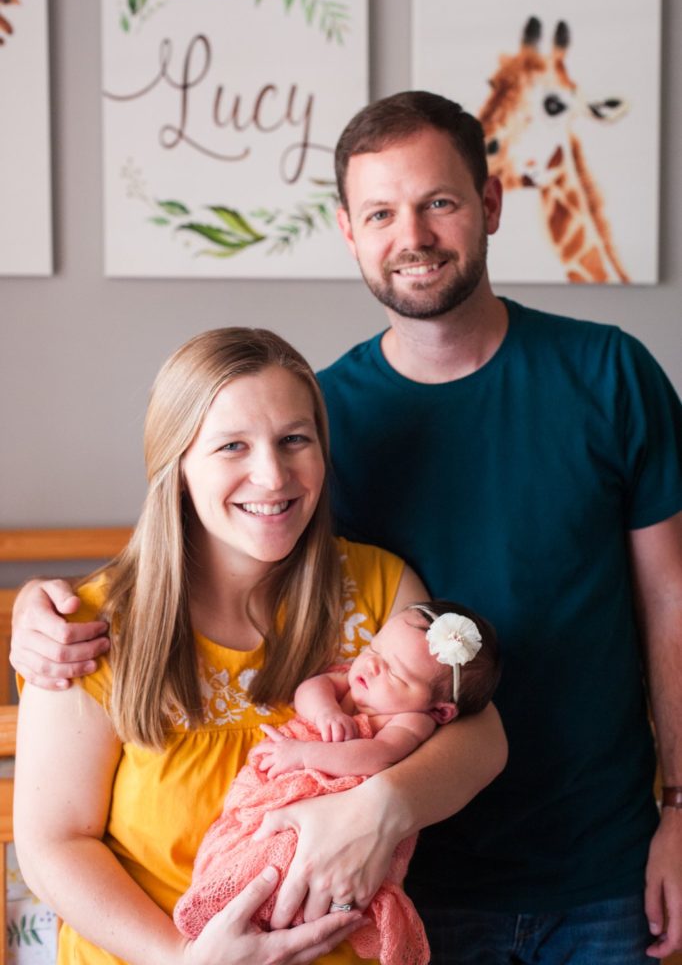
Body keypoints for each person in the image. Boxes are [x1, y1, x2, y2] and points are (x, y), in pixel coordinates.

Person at [11, 90, 682, 962]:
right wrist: (38, 607)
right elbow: (199, 548)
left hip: (599, 860)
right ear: (348, 230)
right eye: (380, 211)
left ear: (488, 204)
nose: (274, 472)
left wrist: (680, 806)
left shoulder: (606, 375)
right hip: (419, 888)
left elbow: (668, 599)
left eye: (439, 200)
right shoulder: (327, 411)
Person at [13, 326, 506, 965]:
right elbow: (55, 846)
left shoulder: (381, 587)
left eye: (295, 439)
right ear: (177, 464)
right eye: (232, 446)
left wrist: (382, 805)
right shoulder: (89, 628)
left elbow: (477, 732)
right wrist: (190, 960)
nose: (272, 476)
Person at [173, 600, 501, 965]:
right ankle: (220, 898)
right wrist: (326, 711)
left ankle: (254, 912)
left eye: (395, 673)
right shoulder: (353, 680)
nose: (373, 665)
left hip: (333, 800)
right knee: (246, 835)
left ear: (439, 710)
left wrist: (305, 756)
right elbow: (312, 688)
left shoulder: (412, 722)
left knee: (284, 856)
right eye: (374, 649)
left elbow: (378, 756)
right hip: (288, 783)